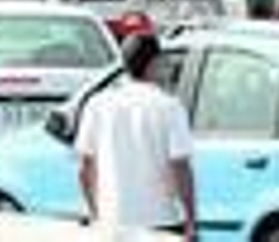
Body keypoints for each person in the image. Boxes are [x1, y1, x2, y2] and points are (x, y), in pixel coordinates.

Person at [75, 34, 196, 239]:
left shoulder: (98, 104)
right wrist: (191, 220)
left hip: (112, 220)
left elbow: (85, 168)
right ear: (154, 64)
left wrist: (95, 212)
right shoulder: (169, 107)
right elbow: (180, 168)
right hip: (160, 219)